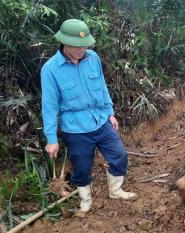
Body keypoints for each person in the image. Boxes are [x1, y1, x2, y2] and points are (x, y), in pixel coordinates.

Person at [41, 19, 137, 216]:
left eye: (84, 45)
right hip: (76, 129)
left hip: (101, 120)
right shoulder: (51, 70)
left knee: (119, 155)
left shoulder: (92, 58)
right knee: (81, 168)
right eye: (76, 46)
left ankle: (116, 190)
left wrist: (110, 112)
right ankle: (86, 200)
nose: (81, 50)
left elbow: (102, 87)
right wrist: (51, 139)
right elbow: (49, 106)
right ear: (64, 43)